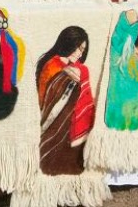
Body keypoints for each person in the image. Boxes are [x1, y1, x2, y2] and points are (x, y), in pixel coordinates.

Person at [35, 26, 94, 176]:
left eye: (82, 50)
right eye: (78, 47)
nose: (80, 53)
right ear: (68, 42)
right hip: (50, 120)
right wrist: (65, 74)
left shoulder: (72, 66)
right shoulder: (52, 64)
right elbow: (49, 95)